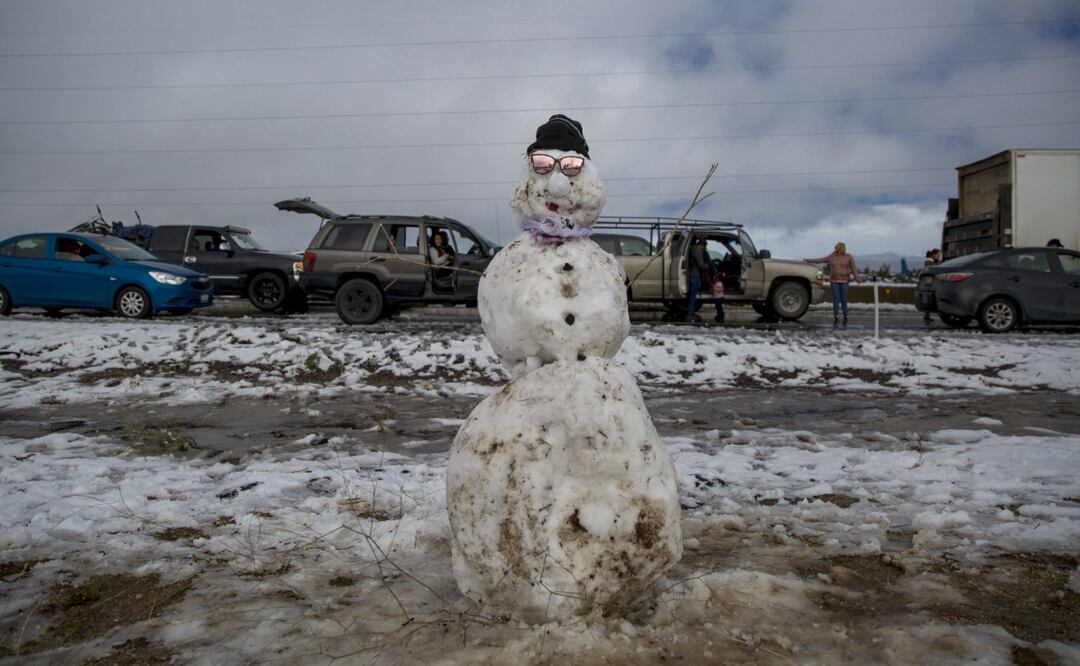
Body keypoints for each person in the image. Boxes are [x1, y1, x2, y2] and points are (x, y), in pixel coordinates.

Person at [803, 242, 861, 327]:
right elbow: (820, 260)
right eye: (840, 249)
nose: (842, 250)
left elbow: (853, 268)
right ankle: (836, 315)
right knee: (836, 298)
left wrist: (857, 277)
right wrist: (808, 260)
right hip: (834, 281)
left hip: (845, 280)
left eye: (843, 249)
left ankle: (845, 315)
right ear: (837, 249)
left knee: (844, 298)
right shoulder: (832, 257)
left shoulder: (848, 256)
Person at [686, 238, 710, 322]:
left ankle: (690, 311)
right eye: (704, 247)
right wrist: (707, 266)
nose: (704, 249)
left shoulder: (692, 249)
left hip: (692, 274)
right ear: (701, 245)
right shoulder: (697, 250)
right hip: (694, 275)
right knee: (692, 295)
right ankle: (690, 313)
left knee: (692, 293)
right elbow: (701, 265)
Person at [922, 248, 941, 322]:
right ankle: (927, 315)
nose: (939, 257)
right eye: (938, 255)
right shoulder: (929, 262)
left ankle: (927, 315)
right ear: (933, 254)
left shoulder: (931, 262)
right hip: (930, 283)